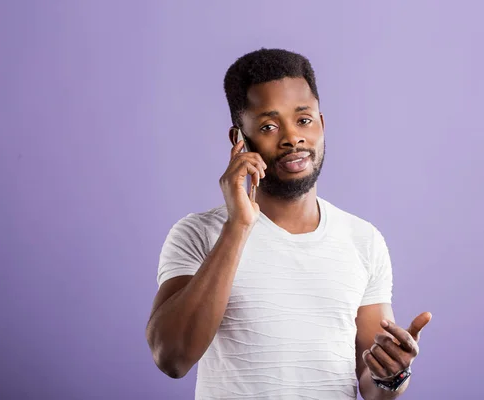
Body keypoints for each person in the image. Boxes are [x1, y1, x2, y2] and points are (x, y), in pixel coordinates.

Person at [145, 48, 432, 399]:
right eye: (268, 125)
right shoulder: (198, 234)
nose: (292, 137)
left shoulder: (363, 239)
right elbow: (171, 357)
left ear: (322, 124)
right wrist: (238, 227)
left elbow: (372, 387)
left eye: (304, 120)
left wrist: (392, 375)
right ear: (239, 141)